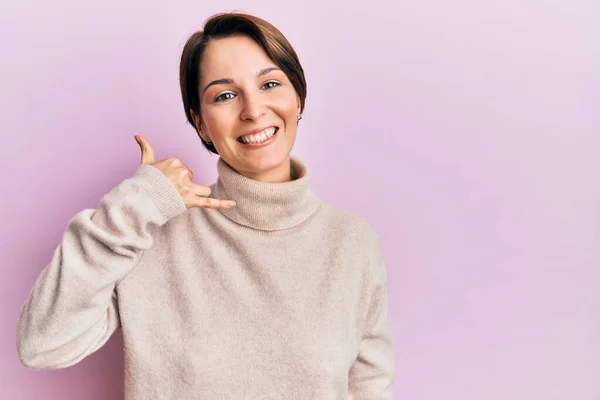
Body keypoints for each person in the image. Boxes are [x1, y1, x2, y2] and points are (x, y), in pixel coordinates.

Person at [16, 12, 395, 399]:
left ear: (297, 97)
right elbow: (42, 344)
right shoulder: (151, 234)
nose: (253, 109)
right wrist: (133, 209)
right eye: (225, 95)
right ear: (200, 123)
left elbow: (371, 388)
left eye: (269, 84)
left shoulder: (353, 243)